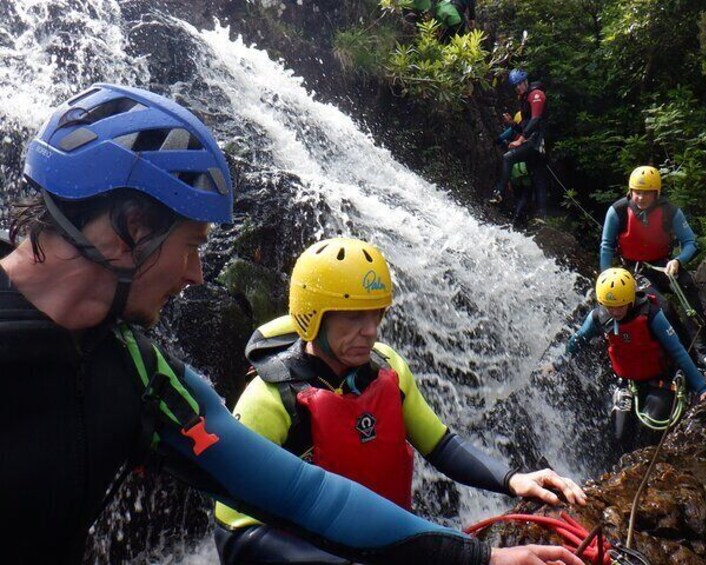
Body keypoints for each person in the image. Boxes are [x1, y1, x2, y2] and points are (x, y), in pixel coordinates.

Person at [0, 83, 583, 565]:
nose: (199, 275)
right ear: (129, 228)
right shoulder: (264, 388)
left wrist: (479, 559)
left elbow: (305, 494)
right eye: (191, 246)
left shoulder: (142, 372)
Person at [214, 237, 587, 564]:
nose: (370, 331)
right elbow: (235, 532)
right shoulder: (270, 400)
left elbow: (441, 445)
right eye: (354, 317)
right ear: (313, 317)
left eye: (377, 314)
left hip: (388, 546)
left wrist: (513, 480)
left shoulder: (387, 366)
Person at [565, 268, 706, 447]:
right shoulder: (598, 317)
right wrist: (557, 365)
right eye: (610, 306)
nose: (615, 312)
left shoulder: (651, 314)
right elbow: (578, 340)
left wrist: (702, 388)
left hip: (660, 381)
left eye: (620, 305)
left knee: (651, 431)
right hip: (628, 383)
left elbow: (677, 350)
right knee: (619, 437)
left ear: (631, 300)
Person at [600, 166, 706, 370]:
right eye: (637, 192)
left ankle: (702, 349)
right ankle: (686, 355)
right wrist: (605, 279)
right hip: (634, 270)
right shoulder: (618, 211)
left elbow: (691, 242)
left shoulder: (670, 211)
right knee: (662, 305)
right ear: (630, 191)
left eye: (646, 193)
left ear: (656, 193)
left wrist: (678, 261)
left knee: (688, 286)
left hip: (664, 265)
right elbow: (606, 246)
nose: (641, 197)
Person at [489, 69, 549, 223]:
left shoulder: (536, 95)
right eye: (515, 86)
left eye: (518, 85)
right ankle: (540, 215)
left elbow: (535, 120)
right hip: (532, 142)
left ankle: (498, 192)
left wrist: (520, 139)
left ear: (525, 82)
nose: (517, 88)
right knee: (537, 177)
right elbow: (524, 126)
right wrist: (512, 125)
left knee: (508, 158)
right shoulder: (524, 99)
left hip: (535, 142)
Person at [491, 112, 535, 226]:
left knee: (517, 193)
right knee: (526, 193)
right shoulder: (533, 133)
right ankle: (518, 217)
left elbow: (498, 139)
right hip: (527, 168)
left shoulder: (512, 130)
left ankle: (500, 195)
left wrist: (505, 143)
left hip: (514, 168)